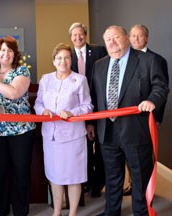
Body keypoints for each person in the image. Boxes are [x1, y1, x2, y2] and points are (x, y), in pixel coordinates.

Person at [89, 25, 168, 216]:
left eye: (116, 37)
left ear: (126, 38)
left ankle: (141, 212)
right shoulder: (99, 65)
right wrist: (90, 123)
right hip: (107, 132)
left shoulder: (148, 60)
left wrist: (152, 100)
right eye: (108, 39)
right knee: (112, 178)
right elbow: (93, 96)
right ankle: (111, 212)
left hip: (136, 130)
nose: (112, 42)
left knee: (140, 178)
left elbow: (160, 87)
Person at [34, 43, 93, 216]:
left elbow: (87, 106)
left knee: (74, 177)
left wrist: (71, 112)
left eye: (67, 57)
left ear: (71, 60)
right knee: (55, 176)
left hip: (73, 137)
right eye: (59, 58)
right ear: (53, 61)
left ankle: (72, 213)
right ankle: (57, 212)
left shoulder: (80, 80)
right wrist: (42, 111)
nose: (63, 61)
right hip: (50, 137)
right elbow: (38, 103)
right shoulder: (45, 79)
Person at [0, 36, 36, 216]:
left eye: (10, 51)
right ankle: (1, 211)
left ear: (15, 55)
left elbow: (13, 93)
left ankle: (21, 211)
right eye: (3, 50)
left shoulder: (21, 72)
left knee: (21, 172)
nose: (6, 54)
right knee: (1, 173)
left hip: (21, 131)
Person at [69, 22, 107, 198]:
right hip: (77, 110)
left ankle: (98, 184)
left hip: (99, 106)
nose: (78, 37)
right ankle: (86, 181)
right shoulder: (67, 55)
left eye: (81, 34)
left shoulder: (99, 51)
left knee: (99, 148)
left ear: (86, 34)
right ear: (70, 38)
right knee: (81, 148)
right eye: (74, 35)